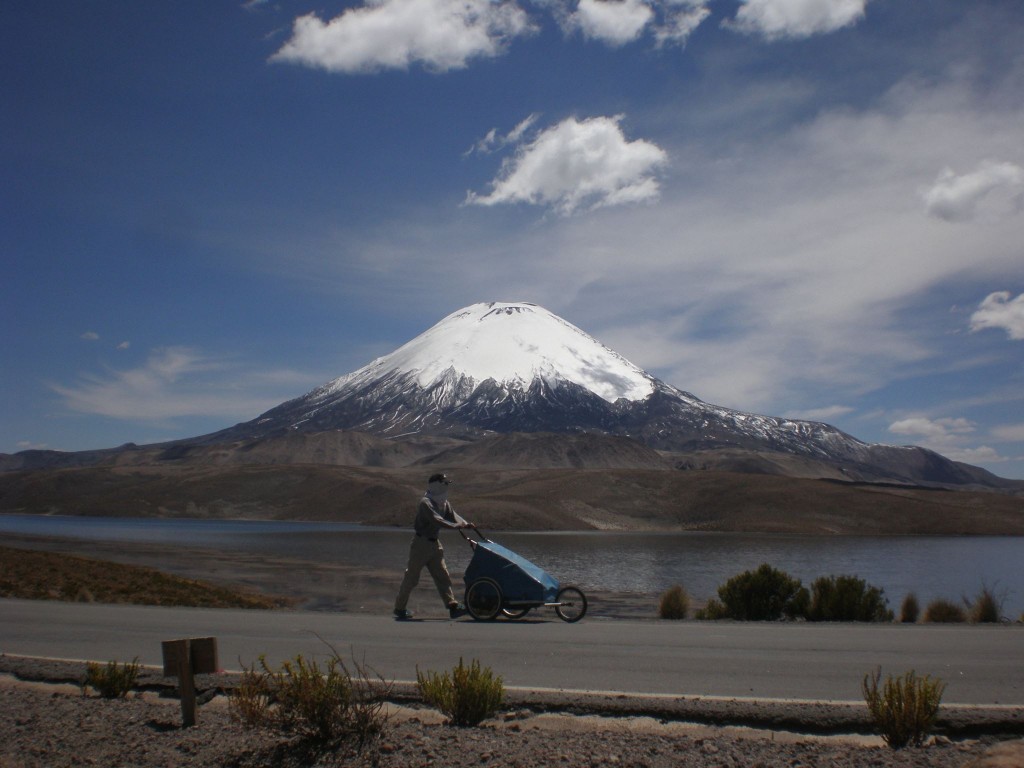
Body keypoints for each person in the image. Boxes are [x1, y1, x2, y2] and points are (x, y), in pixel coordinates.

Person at [393, 473, 472, 620]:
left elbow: (452, 516)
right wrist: (456, 526)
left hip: (434, 543)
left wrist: (466, 524)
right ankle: (399, 608)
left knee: (442, 575)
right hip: (421, 544)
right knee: (412, 577)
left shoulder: (444, 503)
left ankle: (452, 605)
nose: (446, 486)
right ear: (436, 485)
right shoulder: (426, 503)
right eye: (444, 483)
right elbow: (437, 520)